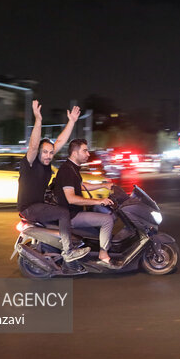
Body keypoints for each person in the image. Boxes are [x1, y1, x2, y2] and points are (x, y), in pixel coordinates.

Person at [17, 100, 90, 263]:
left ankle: (58, 244)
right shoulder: (30, 163)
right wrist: (38, 120)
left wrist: (71, 121)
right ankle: (68, 251)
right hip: (29, 208)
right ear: (38, 153)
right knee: (63, 213)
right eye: (45, 152)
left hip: (38, 204)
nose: (48, 155)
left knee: (62, 209)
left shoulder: (47, 162)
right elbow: (34, 145)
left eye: (51, 153)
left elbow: (60, 142)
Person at [51, 138, 116, 268]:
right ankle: (103, 255)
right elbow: (72, 198)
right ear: (75, 153)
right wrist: (99, 201)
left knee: (107, 214)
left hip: (75, 211)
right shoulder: (67, 170)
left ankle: (97, 245)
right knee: (107, 220)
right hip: (71, 215)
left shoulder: (72, 168)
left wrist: (104, 185)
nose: (88, 154)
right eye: (85, 151)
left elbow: (81, 186)